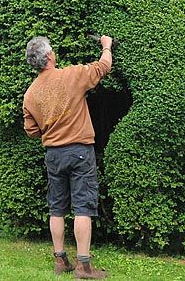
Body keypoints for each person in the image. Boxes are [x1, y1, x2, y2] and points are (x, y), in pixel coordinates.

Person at [22, 35, 112, 279]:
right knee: (83, 206)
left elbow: (31, 131)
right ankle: (84, 267)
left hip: (53, 154)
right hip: (80, 151)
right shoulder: (70, 76)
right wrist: (106, 46)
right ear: (50, 56)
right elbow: (103, 67)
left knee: (57, 208)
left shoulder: (30, 94)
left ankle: (61, 260)